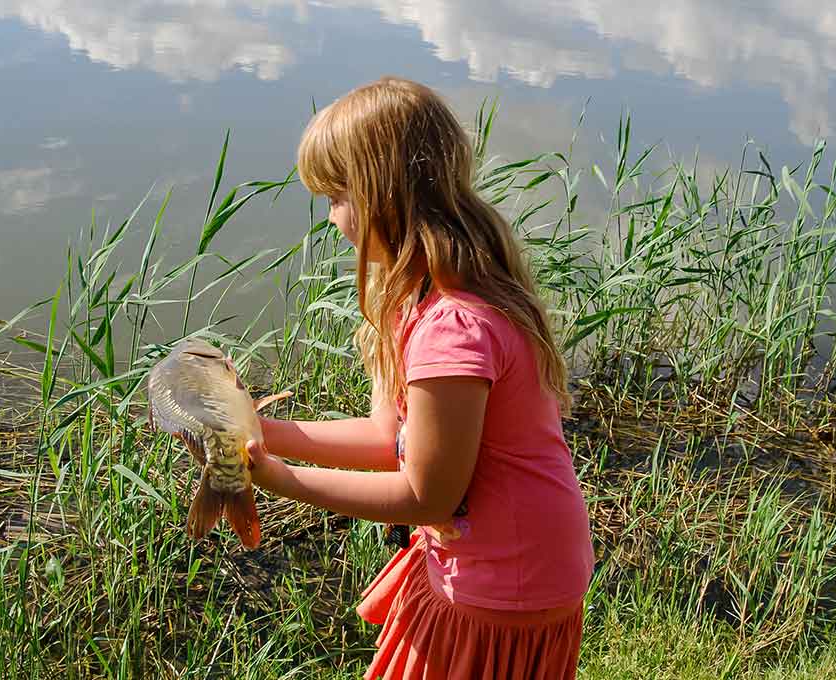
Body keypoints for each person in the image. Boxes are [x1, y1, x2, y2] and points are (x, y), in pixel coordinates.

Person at [245, 76, 595, 680]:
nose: (331, 220)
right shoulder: (417, 300)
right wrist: (261, 431)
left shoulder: (453, 330)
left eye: (336, 197)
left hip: (508, 581)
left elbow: (424, 495)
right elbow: (389, 437)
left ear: (383, 195)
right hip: (487, 559)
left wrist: (283, 481)